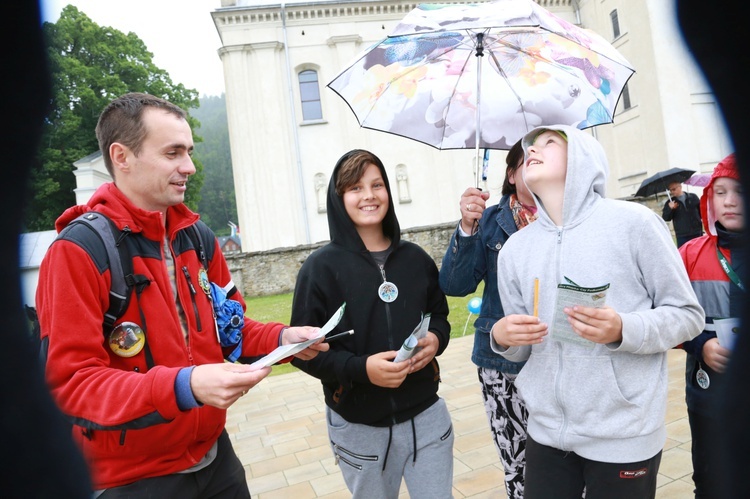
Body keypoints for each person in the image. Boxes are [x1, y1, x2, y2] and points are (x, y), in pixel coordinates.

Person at [35, 92, 328, 497]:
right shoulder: (78, 251)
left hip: (214, 459)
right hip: (131, 480)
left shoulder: (198, 238)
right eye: (173, 153)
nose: (188, 166)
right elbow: (69, 385)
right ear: (122, 156)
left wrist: (282, 339)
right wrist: (183, 386)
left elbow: (233, 330)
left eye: (188, 152)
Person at [490, 125, 704, 499]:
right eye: (529, 147)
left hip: (623, 432)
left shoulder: (634, 224)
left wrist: (623, 329)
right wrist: (503, 338)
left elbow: (686, 315)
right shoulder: (514, 251)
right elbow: (522, 349)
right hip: (546, 433)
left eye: (549, 143)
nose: (533, 150)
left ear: (585, 158)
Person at [290, 149, 453, 498]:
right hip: (359, 427)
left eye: (377, 185)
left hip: (427, 417)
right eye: (355, 188)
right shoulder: (319, 269)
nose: (369, 195)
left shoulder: (415, 259)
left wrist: (437, 339)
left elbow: (439, 315)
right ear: (339, 199)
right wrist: (361, 369)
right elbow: (302, 352)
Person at [439, 140, 534, 498]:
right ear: (511, 174)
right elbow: (454, 284)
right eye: (527, 162)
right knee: (518, 462)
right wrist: (467, 227)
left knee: (569, 461)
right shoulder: (491, 220)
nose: (536, 168)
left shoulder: (566, 219)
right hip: (500, 363)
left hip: (559, 357)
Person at [678, 153, 743, 499]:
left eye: (740, 191)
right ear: (709, 199)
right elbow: (669, 315)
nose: (731, 201)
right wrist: (700, 343)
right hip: (707, 396)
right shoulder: (689, 254)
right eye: (721, 192)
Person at [662, 181, 703, 247]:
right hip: (682, 235)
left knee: (700, 253)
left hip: (696, 232)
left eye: (674, 189)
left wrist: (698, 223)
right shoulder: (670, 202)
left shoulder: (693, 197)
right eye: (670, 190)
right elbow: (665, 218)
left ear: (680, 187)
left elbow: (701, 212)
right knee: (683, 255)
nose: (672, 192)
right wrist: (670, 209)